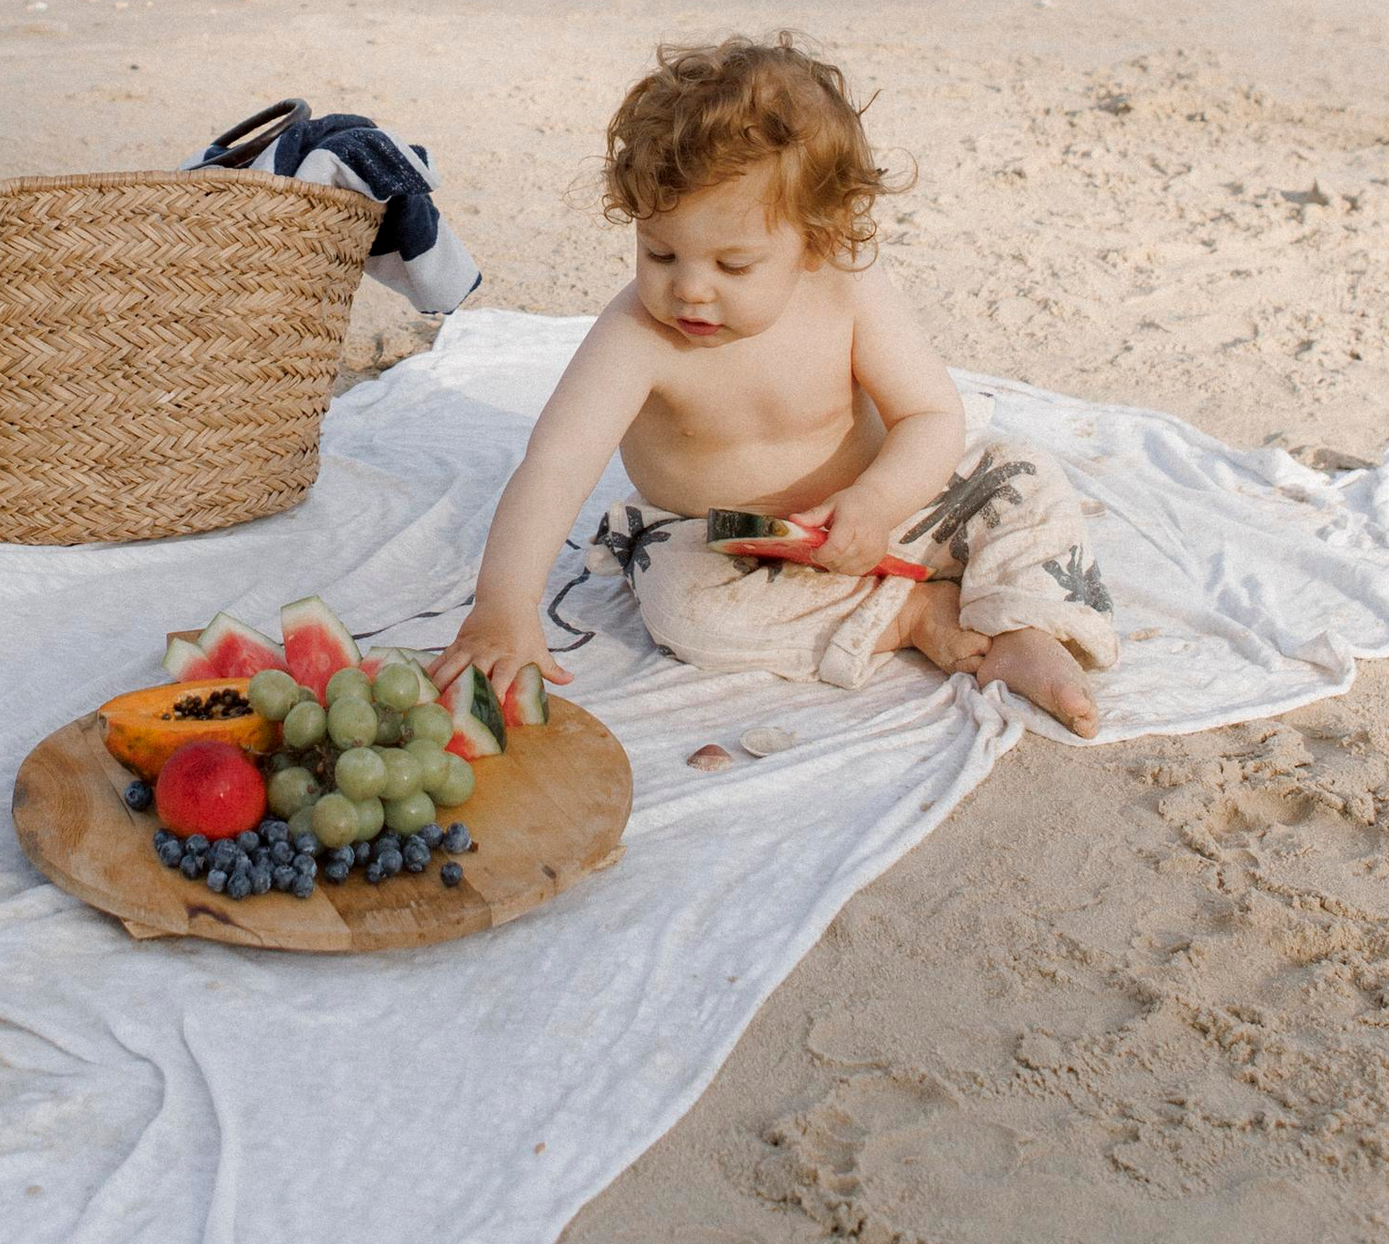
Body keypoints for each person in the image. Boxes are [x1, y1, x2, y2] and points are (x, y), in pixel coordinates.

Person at [434, 36, 1118, 737]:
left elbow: (929, 415)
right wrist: (505, 606)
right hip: (723, 541)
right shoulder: (636, 335)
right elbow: (556, 464)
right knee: (683, 608)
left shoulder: (848, 291)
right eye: (659, 252)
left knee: (1021, 474)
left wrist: (878, 501)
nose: (690, 289)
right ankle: (911, 616)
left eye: (734, 265)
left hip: (884, 512)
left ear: (817, 242)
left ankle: (1027, 628)